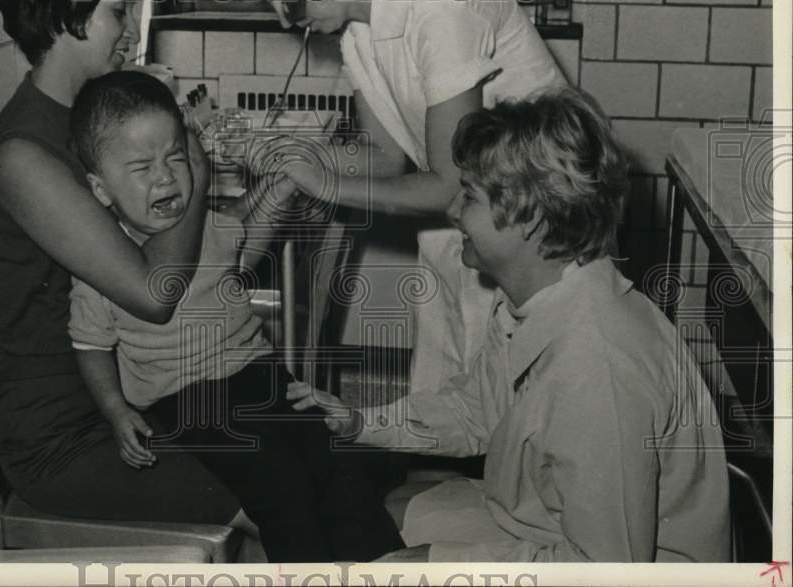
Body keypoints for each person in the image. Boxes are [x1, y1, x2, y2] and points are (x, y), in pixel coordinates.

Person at [287, 88, 731, 562]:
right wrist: (361, 422)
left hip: (623, 566)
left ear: (533, 221)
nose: (453, 210)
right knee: (381, 510)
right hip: (546, 522)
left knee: (377, 558)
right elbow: (476, 409)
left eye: (470, 197)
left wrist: (438, 563)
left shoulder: (596, 367)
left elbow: (602, 568)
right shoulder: (539, 297)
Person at [224, 0, 567, 392]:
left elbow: (452, 185)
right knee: (459, 392)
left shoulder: (439, 6)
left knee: (524, 404)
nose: (283, 17)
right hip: (475, 228)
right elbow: (383, 157)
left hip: (542, 232)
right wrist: (292, 158)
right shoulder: (360, 31)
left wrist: (321, 182)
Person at [0, 0, 245, 528]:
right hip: (65, 435)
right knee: (273, 491)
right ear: (65, 10)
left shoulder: (88, 118)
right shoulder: (23, 153)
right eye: (117, 8)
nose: (129, 29)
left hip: (136, 397)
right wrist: (194, 167)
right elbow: (155, 294)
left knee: (306, 459)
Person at [65, 70, 405, 563]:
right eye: (141, 167)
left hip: (253, 368)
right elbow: (90, 346)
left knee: (333, 460)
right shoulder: (104, 261)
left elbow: (243, 238)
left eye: (176, 157)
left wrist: (280, 188)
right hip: (186, 396)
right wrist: (116, 410)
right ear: (100, 189)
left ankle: (385, 567)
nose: (165, 176)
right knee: (280, 484)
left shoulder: (195, 225)